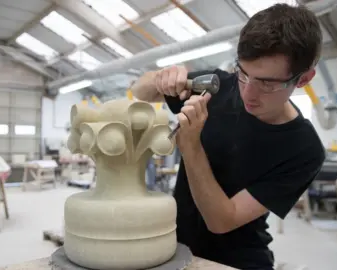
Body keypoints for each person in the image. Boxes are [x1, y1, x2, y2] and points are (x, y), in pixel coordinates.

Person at [131, 4, 326, 270]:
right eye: (243, 73)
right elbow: (140, 91)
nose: (248, 93)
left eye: (267, 83)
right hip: (175, 249)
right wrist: (162, 77)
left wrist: (191, 146)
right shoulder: (218, 85)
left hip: (237, 261)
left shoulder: (304, 149)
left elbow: (222, 220)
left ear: (303, 79)